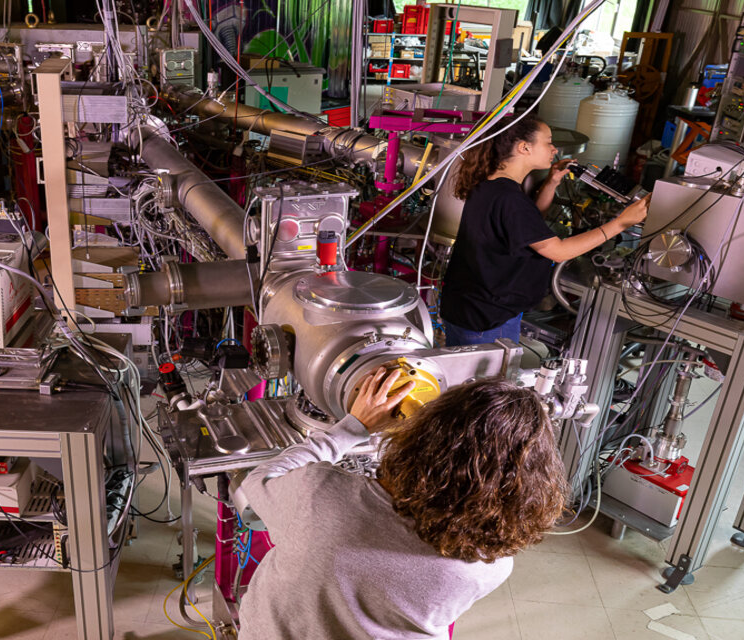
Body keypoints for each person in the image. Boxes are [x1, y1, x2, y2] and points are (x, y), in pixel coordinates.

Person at [236, 368, 568, 639]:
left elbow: (260, 480)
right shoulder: (492, 563)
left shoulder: (321, 496)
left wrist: (352, 428)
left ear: (424, 435)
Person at [439, 114, 651, 346]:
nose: (554, 148)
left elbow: (528, 228)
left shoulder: (492, 185)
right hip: (486, 318)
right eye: (548, 142)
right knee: (483, 382)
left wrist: (551, 183)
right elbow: (557, 251)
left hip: (474, 307)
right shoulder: (509, 198)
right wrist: (621, 223)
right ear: (524, 148)